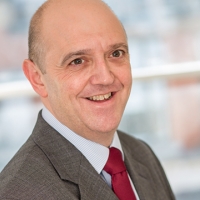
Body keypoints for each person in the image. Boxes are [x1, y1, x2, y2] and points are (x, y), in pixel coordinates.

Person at [0, 0, 175, 199]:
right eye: (77, 61)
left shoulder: (140, 154)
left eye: (116, 53)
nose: (106, 77)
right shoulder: (18, 193)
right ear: (36, 78)